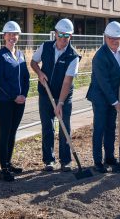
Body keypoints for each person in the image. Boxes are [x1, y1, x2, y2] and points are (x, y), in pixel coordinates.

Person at [31, 18, 80, 172]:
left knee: (64, 126)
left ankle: (65, 161)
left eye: (67, 36)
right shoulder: (45, 47)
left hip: (64, 96)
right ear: (55, 33)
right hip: (46, 93)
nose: (63, 39)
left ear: (70, 37)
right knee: (47, 127)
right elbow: (33, 62)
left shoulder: (73, 56)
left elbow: (67, 82)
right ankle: (49, 160)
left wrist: (60, 103)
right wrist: (39, 73)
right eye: (61, 35)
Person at [0, 21, 30, 181]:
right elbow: (0, 81)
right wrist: (14, 96)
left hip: (19, 101)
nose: (12, 37)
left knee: (13, 132)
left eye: (15, 34)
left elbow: (26, 77)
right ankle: (3, 168)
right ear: (4, 36)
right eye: (9, 34)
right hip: (5, 101)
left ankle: (8, 162)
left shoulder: (20, 54)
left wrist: (24, 95)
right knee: (5, 132)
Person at [86, 21, 120, 173]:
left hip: (112, 95)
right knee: (100, 127)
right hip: (100, 96)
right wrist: (115, 101)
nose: (115, 41)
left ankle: (109, 157)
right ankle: (97, 161)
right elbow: (104, 83)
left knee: (111, 127)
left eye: (118, 38)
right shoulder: (100, 57)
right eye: (111, 38)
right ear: (105, 37)